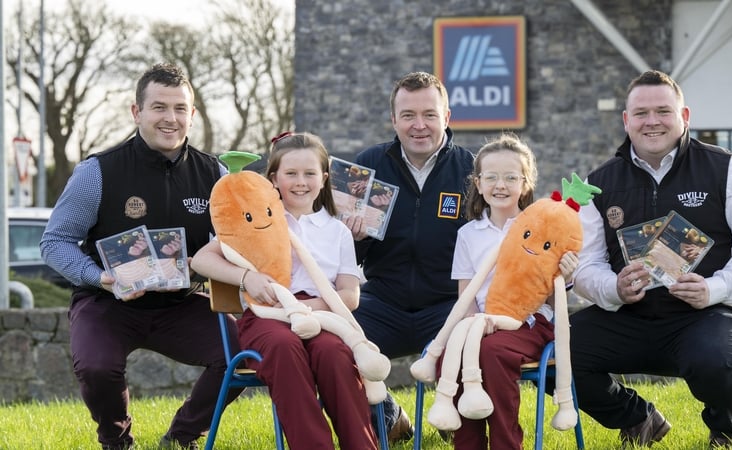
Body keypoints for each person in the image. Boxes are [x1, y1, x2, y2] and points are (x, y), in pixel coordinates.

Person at [570, 70, 732, 448]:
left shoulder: (729, 170)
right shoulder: (599, 182)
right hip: (629, 317)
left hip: (707, 315)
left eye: (663, 111)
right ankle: (637, 419)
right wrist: (613, 288)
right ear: (626, 120)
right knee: (555, 352)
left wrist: (713, 289)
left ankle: (723, 428)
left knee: (716, 360)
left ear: (684, 116)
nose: (652, 122)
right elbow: (585, 265)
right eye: (642, 112)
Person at [39, 63, 239, 450]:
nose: (171, 118)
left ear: (192, 115)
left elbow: (234, 244)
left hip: (180, 304)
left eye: (180, 109)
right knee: (97, 366)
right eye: (159, 107)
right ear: (137, 112)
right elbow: (55, 242)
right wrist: (100, 278)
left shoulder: (214, 173)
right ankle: (117, 442)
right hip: (107, 301)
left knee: (244, 353)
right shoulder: (96, 171)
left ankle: (181, 438)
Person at [191, 132, 380, 449]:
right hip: (268, 316)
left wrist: (314, 308)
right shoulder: (256, 220)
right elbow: (201, 259)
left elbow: (349, 294)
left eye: (309, 173)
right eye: (291, 173)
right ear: (274, 178)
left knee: (334, 354)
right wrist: (245, 277)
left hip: (321, 316)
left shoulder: (337, 231)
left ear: (323, 178)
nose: (300, 182)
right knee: (283, 345)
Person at [342, 71, 475, 441]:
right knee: (332, 344)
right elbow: (341, 255)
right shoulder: (368, 165)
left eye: (429, 115)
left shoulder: (472, 170)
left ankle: (457, 423)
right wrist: (353, 238)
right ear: (394, 120)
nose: (419, 126)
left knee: (475, 339)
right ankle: (387, 414)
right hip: (382, 301)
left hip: (447, 304)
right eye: (408, 115)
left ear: (447, 118)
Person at [448, 133, 577, 449]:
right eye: (491, 177)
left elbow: (550, 297)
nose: (500, 185)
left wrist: (566, 275)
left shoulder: (544, 229)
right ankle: (468, 443)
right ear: (478, 183)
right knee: (458, 354)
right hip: (481, 324)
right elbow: (465, 298)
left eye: (510, 177)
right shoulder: (468, 235)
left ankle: (506, 443)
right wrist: (475, 325)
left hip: (529, 324)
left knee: (492, 352)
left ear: (526, 182)